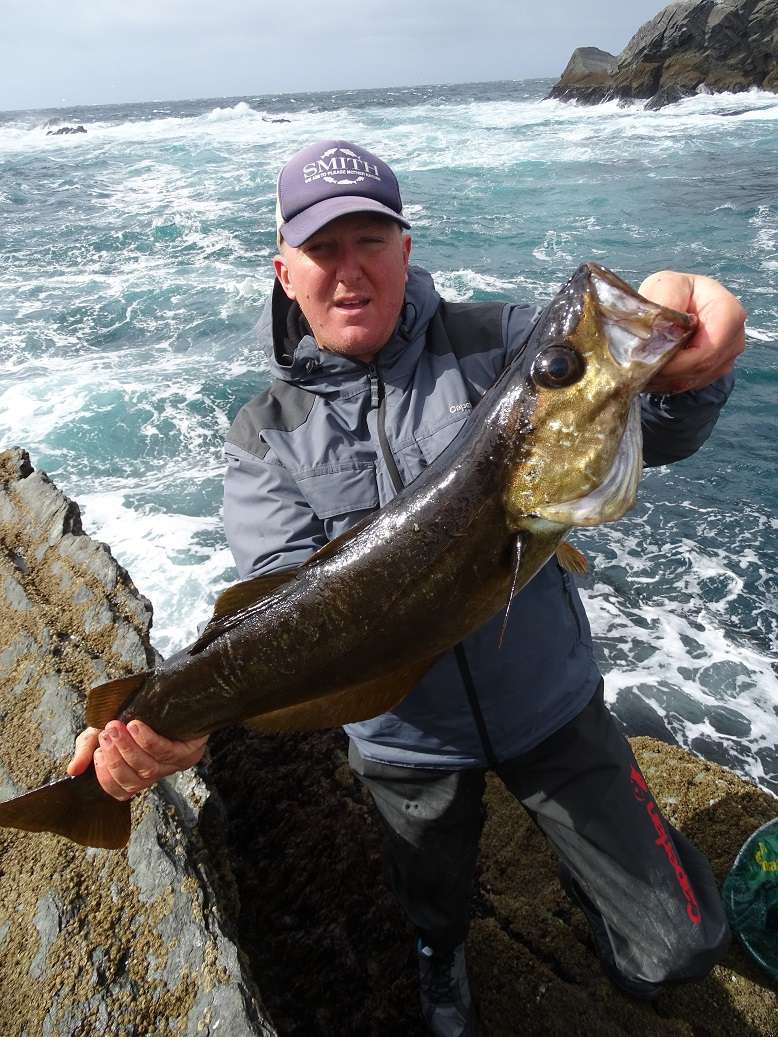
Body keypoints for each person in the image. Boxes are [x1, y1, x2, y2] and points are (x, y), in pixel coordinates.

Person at [69, 140, 746, 1036]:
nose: (350, 271)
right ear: (285, 270)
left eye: (370, 241)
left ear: (407, 249)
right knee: (431, 903)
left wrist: (695, 346)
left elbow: (648, 419)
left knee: (683, 949)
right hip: (404, 744)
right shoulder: (265, 434)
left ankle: (602, 900)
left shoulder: (504, 345)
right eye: (323, 249)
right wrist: (172, 717)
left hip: (551, 707)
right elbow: (277, 606)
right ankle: (440, 950)